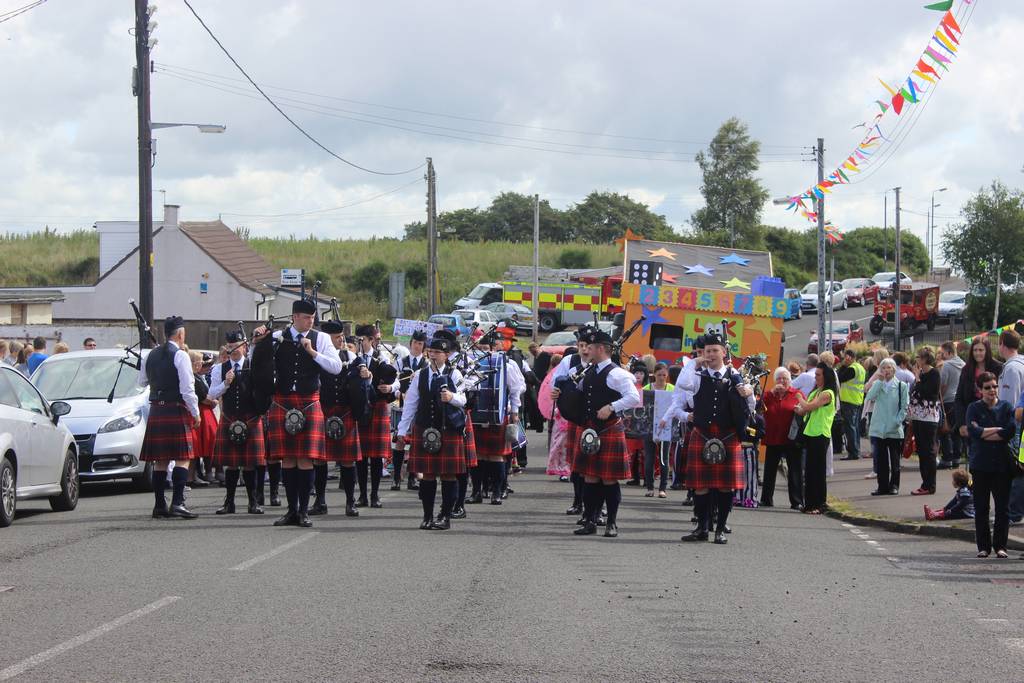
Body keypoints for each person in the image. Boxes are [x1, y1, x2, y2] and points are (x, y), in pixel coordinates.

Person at [251, 299, 343, 528]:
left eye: (312, 318)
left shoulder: (320, 339)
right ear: (294, 317)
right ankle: (291, 511)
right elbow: (257, 363)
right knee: (287, 459)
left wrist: (313, 353)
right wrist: (257, 342)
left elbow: (336, 367)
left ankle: (303, 511)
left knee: (305, 459)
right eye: (305, 317)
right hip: (282, 401)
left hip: (309, 402)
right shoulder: (276, 337)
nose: (310, 321)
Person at [676, 332, 754, 544]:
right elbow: (682, 384)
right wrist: (695, 361)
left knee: (725, 486)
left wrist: (746, 393)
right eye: (707, 351)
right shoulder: (697, 376)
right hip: (702, 434)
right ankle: (702, 528)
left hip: (727, 435)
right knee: (700, 485)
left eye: (714, 350)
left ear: (724, 352)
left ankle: (719, 529)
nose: (710, 354)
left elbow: (750, 404)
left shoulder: (735, 375)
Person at [566, 328, 641, 538]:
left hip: (608, 429)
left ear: (600, 348)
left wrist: (612, 406)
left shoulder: (617, 374)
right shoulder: (588, 371)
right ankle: (590, 520)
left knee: (608, 480)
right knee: (590, 478)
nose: (586, 350)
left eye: (590, 347)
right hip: (590, 430)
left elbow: (634, 397)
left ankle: (611, 523)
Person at [395, 329, 468, 530]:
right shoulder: (420, 375)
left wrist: (451, 398)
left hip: (448, 430)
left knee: (448, 475)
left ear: (447, 355)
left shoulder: (455, 373)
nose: (433, 355)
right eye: (431, 351)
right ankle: (427, 516)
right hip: (424, 428)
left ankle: (445, 516)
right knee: (427, 473)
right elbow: (411, 403)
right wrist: (402, 430)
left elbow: (464, 398)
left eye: (438, 352)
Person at [138, 316, 201, 519]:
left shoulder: (150, 355)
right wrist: (196, 412)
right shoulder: (181, 355)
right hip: (175, 409)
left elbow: (142, 382)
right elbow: (187, 389)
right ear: (180, 334)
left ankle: (159, 506)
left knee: (161, 461)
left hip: (157, 409)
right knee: (183, 458)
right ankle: (177, 503)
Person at [208, 331, 266, 515]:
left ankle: (253, 502)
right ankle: (229, 503)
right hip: (229, 417)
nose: (233, 349)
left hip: (250, 418)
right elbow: (212, 395)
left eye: (237, 345)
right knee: (231, 464)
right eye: (230, 346)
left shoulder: (253, 366)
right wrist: (225, 384)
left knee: (250, 464)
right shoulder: (220, 369)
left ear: (244, 346)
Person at [315, 320, 369, 518]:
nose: (341, 340)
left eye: (341, 337)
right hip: (323, 410)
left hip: (345, 412)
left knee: (347, 461)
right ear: (327, 339)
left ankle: (350, 502)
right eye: (337, 337)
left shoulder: (351, 356)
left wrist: (365, 374)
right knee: (319, 461)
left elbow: (363, 379)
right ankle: (319, 501)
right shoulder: (318, 356)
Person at [466, 331, 526, 509]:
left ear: (496, 347)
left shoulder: (508, 363)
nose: (485, 351)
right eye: (482, 348)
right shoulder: (474, 363)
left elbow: (516, 388)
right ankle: (477, 491)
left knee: (496, 455)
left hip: (499, 413)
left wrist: (514, 410)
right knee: (480, 455)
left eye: (488, 348)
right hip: (478, 414)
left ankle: (497, 492)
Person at [965, 372, 1015, 558]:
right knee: (981, 507)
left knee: (1003, 508)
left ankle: (1001, 546)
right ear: (980, 390)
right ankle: (983, 546)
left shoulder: (1006, 407)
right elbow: (973, 430)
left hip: (1002, 465)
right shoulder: (974, 408)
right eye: (987, 387)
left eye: (994, 386)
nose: (992, 390)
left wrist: (985, 432)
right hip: (981, 464)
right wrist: (995, 431)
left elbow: (1009, 431)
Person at [353, 324, 400, 509]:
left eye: (362, 340)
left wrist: (391, 388)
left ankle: (374, 495)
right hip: (359, 408)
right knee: (361, 456)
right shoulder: (353, 358)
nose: (359, 343)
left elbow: (396, 379)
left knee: (375, 457)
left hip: (378, 406)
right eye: (357, 340)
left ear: (371, 340)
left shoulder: (381, 357)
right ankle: (363, 495)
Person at [550, 330, 594, 517]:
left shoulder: (601, 364)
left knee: (593, 466)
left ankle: (595, 506)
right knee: (576, 464)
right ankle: (578, 502)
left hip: (595, 420)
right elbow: (555, 382)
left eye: (588, 346)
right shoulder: (570, 362)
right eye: (581, 345)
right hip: (576, 418)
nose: (584, 350)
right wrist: (557, 392)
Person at [795, 363, 838, 514]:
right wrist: (799, 410)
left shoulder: (828, 393)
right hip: (811, 432)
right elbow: (806, 410)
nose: (816, 377)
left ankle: (819, 503)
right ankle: (810, 503)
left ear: (826, 376)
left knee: (817, 471)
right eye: (816, 374)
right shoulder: (816, 391)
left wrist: (799, 397)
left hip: (820, 433)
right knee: (810, 470)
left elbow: (809, 406)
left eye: (819, 375)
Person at [761, 367, 804, 509]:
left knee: (795, 470)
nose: (782, 381)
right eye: (779, 378)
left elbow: (804, 410)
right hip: (773, 437)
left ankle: (796, 501)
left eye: (785, 378)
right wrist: (771, 393)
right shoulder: (769, 395)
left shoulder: (796, 393)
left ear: (789, 380)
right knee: (770, 471)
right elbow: (758, 407)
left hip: (791, 438)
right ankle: (766, 499)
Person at [865, 358, 909, 496]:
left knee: (895, 461)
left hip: (894, 428)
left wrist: (897, 421)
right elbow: (870, 397)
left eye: (889, 368)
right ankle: (882, 486)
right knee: (881, 460)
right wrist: (878, 382)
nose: (886, 371)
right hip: (879, 428)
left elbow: (904, 406)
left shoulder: (901, 385)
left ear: (894, 369)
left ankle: (894, 485)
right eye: (883, 368)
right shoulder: (879, 384)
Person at [392, 330, 427, 491]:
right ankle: (396, 478)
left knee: (415, 443)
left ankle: (412, 477)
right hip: (401, 407)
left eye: (420, 344)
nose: (417, 347)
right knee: (399, 442)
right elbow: (392, 382)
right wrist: (399, 392)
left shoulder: (426, 364)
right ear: (410, 344)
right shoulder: (400, 362)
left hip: (419, 409)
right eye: (415, 343)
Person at [996, 330, 1024, 526]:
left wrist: (1003, 426)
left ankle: (1013, 513)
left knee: (1014, 470)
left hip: (1015, 426)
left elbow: (1010, 402)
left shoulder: (1012, 368)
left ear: (1002, 343)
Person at [909, 346, 942, 496]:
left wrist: (917, 378)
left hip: (929, 418)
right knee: (921, 451)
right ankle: (925, 483)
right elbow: (915, 392)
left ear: (923, 359)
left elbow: (928, 392)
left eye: (918, 357)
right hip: (917, 417)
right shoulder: (922, 373)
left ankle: (930, 485)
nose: (916, 360)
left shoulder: (934, 374)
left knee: (928, 452)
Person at [955, 337, 1003, 437]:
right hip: (971, 417)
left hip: (993, 417)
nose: (977, 353)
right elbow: (959, 398)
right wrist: (961, 424)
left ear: (987, 351)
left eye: (981, 350)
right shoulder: (966, 370)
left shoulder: (998, 368)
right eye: (975, 350)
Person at [188, 350, 219, 488]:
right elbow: (203, 398)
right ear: (194, 364)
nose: (202, 364)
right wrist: (213, 402)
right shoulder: (194, 378)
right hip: (201, 412)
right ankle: (192, 476)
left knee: (204, 445)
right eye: (200, 362)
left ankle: (198, 474)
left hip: (204, 413)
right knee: (197, 447)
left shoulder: (197, 377)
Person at [642, 363, 674, 498]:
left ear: (667, 375)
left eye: (664, 375)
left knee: (664, 458)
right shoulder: (647, 388)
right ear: (654, 375)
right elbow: (639, 407)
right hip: (649, 428)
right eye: (659, 375)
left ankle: (662, 489)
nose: (661, 378)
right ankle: (649, 487)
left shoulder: (672, 388)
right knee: (649, 458)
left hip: (666, 427)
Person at [938, 341, 965, 468]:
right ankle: (957, 458)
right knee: (957, 431)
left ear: (949, 352)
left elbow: (943, 384)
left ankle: (947, 458)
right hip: (959, 400)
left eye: (943, 353)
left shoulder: (947, 365)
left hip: (948, 400)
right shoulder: (963, 364)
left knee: (945, 430)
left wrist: (940, 398)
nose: (941, 356)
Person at [837, 350, 866, 461]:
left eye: (845, 357)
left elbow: (839, 377)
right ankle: (856, 450)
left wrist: (843, 365)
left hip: (849, 401)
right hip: (857, 400)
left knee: (850, 427)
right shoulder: (860, 368)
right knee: (855, 427)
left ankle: (853, 452)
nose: (844, 360)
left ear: (849, 357)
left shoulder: (852, 368)